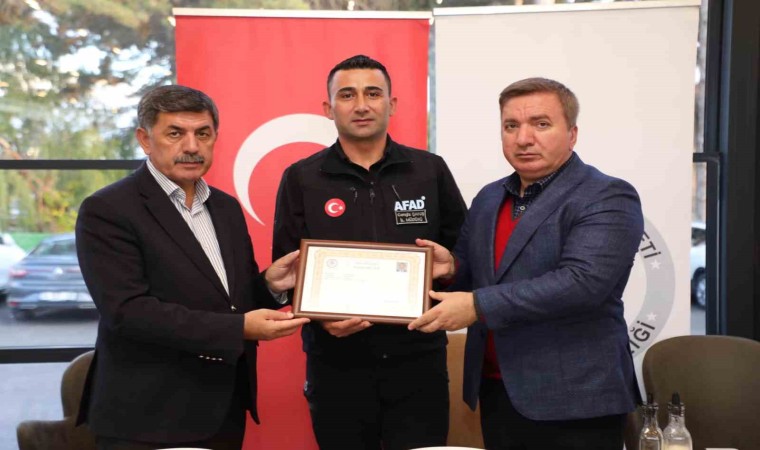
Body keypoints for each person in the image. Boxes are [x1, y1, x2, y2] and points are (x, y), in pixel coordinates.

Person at [409, 77, 643, 449]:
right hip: (497, 390)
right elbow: (475, 272)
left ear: (572, 134)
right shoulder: (489, 197)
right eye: (511, 126)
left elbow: (582, 284)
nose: (523, 138)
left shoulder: (606, 195)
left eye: (541, 124)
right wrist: (452, 268)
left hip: (575, 400)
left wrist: (477, 305)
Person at [75, 85, 310, 450]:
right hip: (147, 417)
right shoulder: (108, 210)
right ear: (145, 139)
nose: (192, 146)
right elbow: (128, 311)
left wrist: (270, 285)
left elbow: (233, 300)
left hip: (224, 408)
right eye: (175, 134)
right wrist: (239, 328)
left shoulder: (226, 208)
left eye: (203, 134)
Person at [272, 54, 467, 450]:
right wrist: (320, 318)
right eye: (347, 95)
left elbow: (465, 257)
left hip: (418, 363)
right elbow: (289, 269)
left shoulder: (429, 170)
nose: (361, 105)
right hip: (335, 365)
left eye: (373, 93)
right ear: (328, 108)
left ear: (391, 104)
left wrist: (452, 268)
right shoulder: (301, 178)